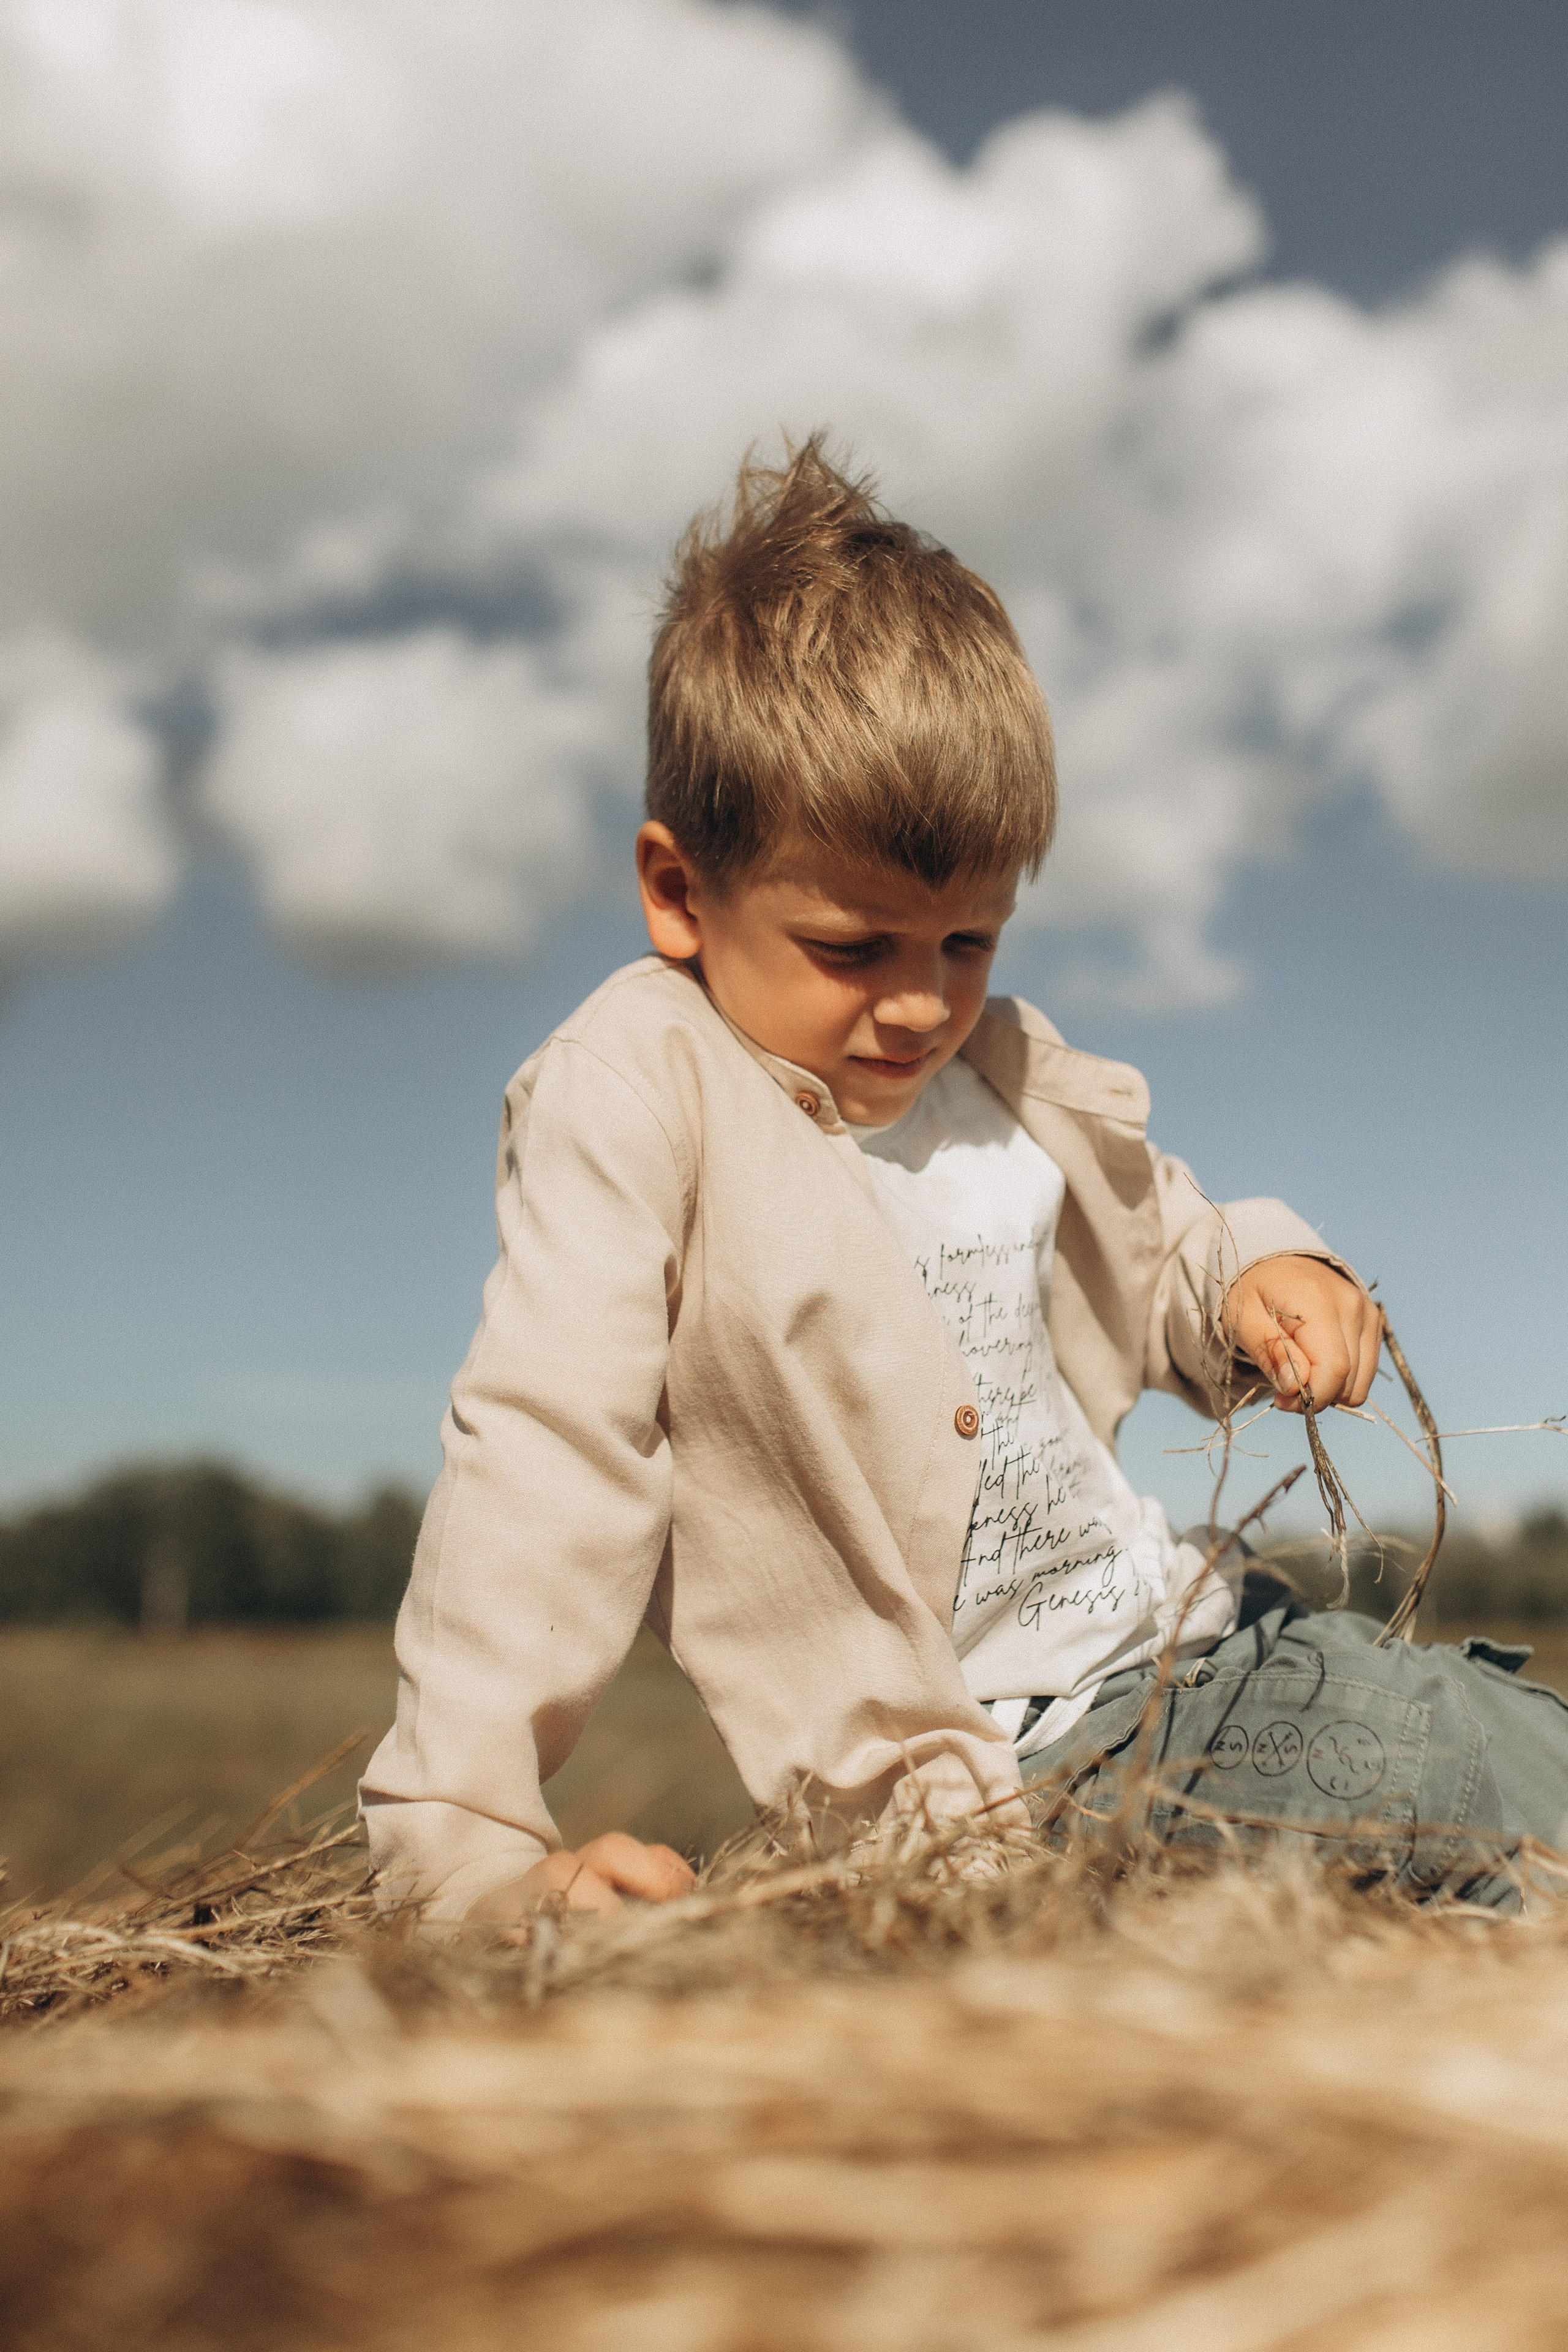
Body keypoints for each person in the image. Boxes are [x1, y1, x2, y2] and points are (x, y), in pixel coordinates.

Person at [360, 441, 1568, 1924]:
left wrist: (1256, 1278)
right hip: (1026, 1763)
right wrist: (464, 1852)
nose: (920, 1003)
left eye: (967, 941)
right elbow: (547, 1456)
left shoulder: (999, 1078)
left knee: (1497, 1752)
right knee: (1460, 1766)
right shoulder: (644, 1099)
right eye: (852, 947)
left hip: (1197, 1647)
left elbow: (1157, 1243)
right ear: (679, 892)